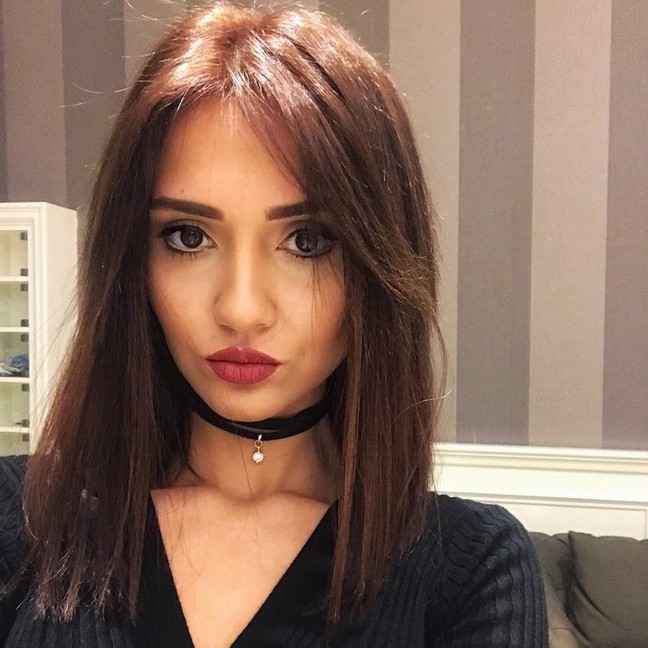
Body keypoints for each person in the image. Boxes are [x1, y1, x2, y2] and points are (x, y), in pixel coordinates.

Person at [0, 3, 547, 646]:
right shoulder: (26, 517)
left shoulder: (472, 572)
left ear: (379, 267)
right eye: (188, 236)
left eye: (307, 242)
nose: (240, 308)